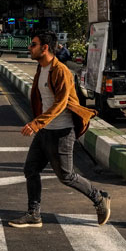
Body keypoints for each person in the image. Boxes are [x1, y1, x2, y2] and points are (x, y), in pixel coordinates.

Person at [10, 31, 110, 229]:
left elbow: (61, 103)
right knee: (31, 169)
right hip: (46, 131)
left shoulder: (61, 71)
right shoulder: (41, 68)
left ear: (45, 48)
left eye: (33, 44)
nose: (30, 48)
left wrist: (36, 123)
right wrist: (40, 124)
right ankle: (33, 213)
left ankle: (99, 198)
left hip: (62, 132)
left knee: (66, 176)